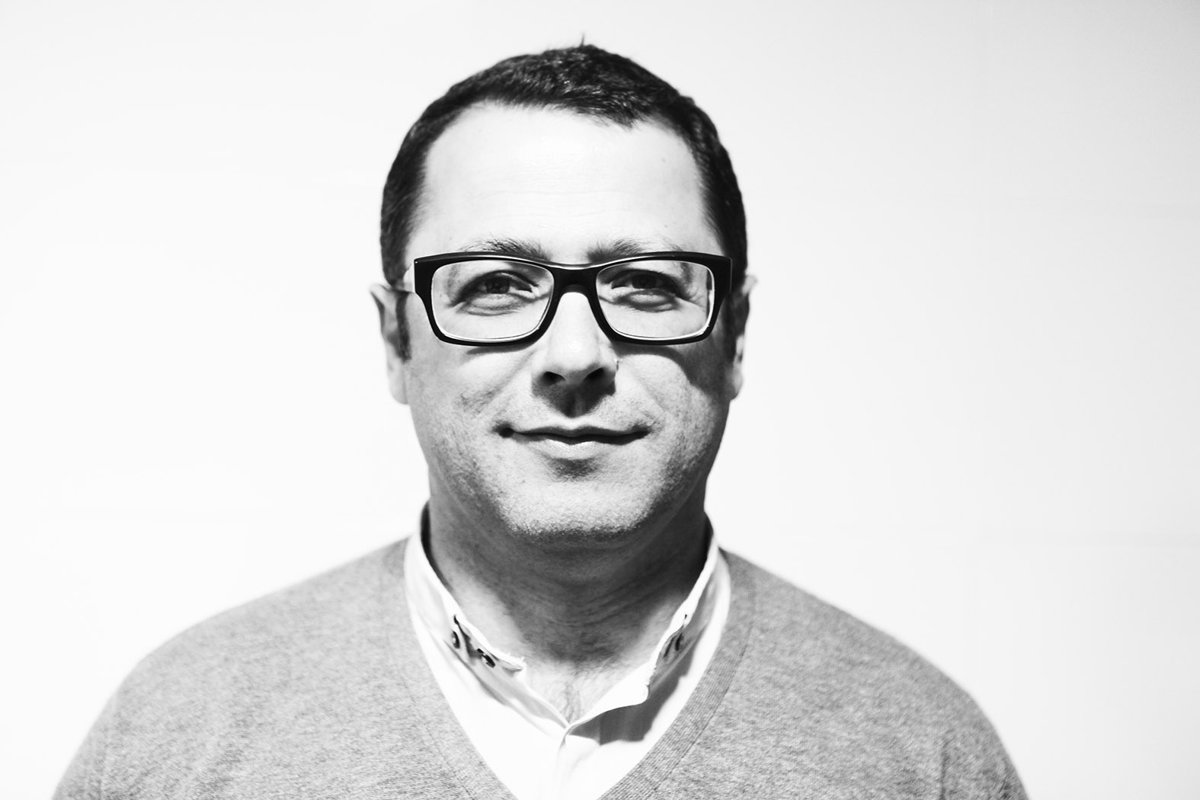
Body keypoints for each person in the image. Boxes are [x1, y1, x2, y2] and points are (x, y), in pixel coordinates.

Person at [56, 45, 1026, 799]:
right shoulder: (176, 734)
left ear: (734, 335)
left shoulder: (923, 751)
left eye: (644, 285)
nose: (574, 354)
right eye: (495, 285)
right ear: (396, 340)